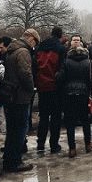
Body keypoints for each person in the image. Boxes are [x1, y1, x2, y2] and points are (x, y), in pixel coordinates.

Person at [0, 28, 38, 174]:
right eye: (35, 42)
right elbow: (25, 73)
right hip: (20, 96)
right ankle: (14, 162)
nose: (34, 45)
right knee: (19, 130)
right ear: (31, 38)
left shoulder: (12, 50)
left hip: (12, 95)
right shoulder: (23, 52)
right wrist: (31, 88)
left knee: (12, 130)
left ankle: (9, 160)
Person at [57, 34, 92, 157]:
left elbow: (61, 78)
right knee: (85, 120)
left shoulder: (66, 61)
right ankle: (88, 144)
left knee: (70, 122)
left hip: (69, 94)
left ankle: (72, 148)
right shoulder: (89, 62)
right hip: (83, 94)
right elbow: (91, 79)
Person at [34, 26, 65, 154]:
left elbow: (35, 66)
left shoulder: (40, 47)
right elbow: (62, 68)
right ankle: (54, 144)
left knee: (44, 117)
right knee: (56, 117)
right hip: (55, 87)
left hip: (42, 86)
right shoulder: (61, 48)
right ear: (60, 35)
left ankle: (40, 144)